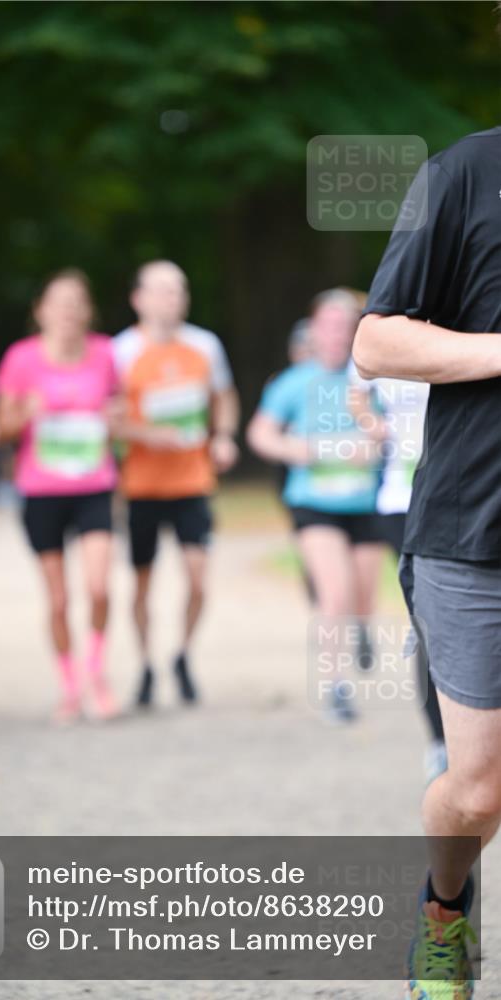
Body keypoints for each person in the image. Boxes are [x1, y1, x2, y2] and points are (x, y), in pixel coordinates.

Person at [353, 127, 501, 999]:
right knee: (477, 793)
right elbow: (376, 344)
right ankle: (445, 911)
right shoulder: (459, 174)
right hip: (473, 529)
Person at [247, 288, 385, 723]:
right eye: (328, 325)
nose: (336, 334)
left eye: (345, 326)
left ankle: (361, 627)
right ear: (314, 329)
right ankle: (335, 685)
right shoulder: (294, 382)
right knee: (335, 589)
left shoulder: (374, 380)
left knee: (363, 593)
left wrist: (377, 441)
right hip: (314, 503)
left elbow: (401, 428)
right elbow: (260, 435)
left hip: (365, 502)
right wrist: (296, 449)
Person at [0, 269, 119, 721]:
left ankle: (96, 673)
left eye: (76, 302)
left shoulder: (105, 354)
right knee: (60, 600)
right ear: (40, 311)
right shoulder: (21, 359)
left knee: (100, 588)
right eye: (58, 302)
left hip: (94, 487)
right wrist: (24, 414)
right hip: (41, 490)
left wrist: (114, 417)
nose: (67, 311)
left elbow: (119, 411)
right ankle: (69, 686)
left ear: (88, 312)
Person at [113, 260, 239, 707]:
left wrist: (223, 435)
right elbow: (108, 420)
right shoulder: (121, 352)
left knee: (199, 577)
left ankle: (183, 654)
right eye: (163, 290)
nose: (173, 298)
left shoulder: (205, 345)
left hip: (193, 482)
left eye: (179, 290)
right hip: (143, 486)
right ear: (139, 298)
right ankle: (146, 663)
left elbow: (224, 396)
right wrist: (149, 435)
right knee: (142, 584)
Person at [348, 370, 447, 782]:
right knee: (428, 623)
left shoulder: (470, 329)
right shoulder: (387, 332)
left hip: (467, 498)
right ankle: (441, 742)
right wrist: (376, 426)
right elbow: (356, 392)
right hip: (402, 502)